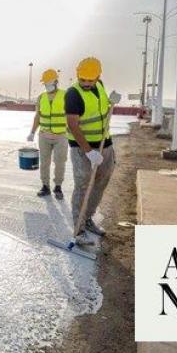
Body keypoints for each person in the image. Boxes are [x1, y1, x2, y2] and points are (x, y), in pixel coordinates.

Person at [65, 57, 121, 245]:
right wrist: (89, 151)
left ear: (98, 77)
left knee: (101, 182)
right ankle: (78, 229)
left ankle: (88, 218)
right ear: (77, 75)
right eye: (83, 80)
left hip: (104, 143)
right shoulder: (73, 94)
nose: (87, 83)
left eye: (91, 80)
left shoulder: (100, 86)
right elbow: (73, 125)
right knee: (83, 184)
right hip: (81, 147)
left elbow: (101, 111)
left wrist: (112, 102)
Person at [28, 69, 68, 200]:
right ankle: (45, 186)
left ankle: (58, 186)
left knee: (60, 162)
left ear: (56, 81)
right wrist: (32, 132)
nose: (47, 85)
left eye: (49, 82)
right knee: (44, 162)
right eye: (45, 83)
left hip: (61, 135)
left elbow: (72, 116)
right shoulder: (41, 97)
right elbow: (38, 116)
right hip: (44, 135)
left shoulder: (65, 95)